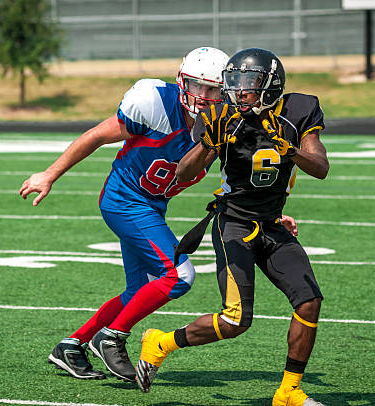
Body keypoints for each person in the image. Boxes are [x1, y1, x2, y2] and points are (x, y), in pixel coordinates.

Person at [20, 46, 299, 383]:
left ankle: (72, 345)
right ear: (182, 81)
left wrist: (269, 215)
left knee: (138, 290)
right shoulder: (154, 103)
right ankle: (113, 337)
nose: (204, 96)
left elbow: (241, 177)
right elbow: (96, 136)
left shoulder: (228, 120)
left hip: (151, 205)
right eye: (197, 86)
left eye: (212, 89)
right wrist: (49, 174)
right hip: (125, 199)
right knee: (179, 276)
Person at [135, 48, 329, 406]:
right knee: (235, 320)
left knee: (309, 303)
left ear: (270, 87)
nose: (239, 92)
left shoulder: (298, 111)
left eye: (248, 85)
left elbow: (319, 166)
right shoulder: (222, 117)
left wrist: (293, 153)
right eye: (234, 84)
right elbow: (184, 173)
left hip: (271, 223)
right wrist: (210, 141)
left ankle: (289, 391)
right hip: (234, 224)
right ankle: (160, 342)